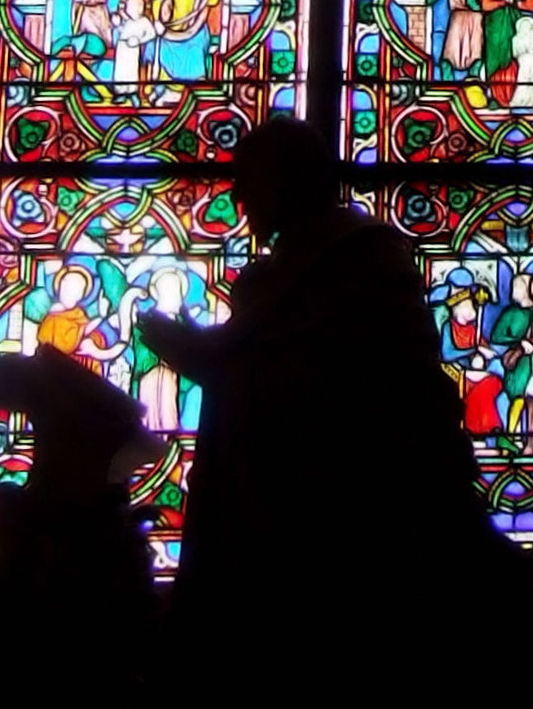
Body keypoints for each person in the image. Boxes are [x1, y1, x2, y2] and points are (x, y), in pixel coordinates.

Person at [137, 118, 497, 618]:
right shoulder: (291, 264)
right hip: (281, 508)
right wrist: (200, 353)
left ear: (289, 178)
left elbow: (345, 391)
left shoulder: (360, 256)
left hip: (351, 510)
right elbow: (267, 366)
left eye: (250, 178)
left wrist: (202, 355)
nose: (238, 196)